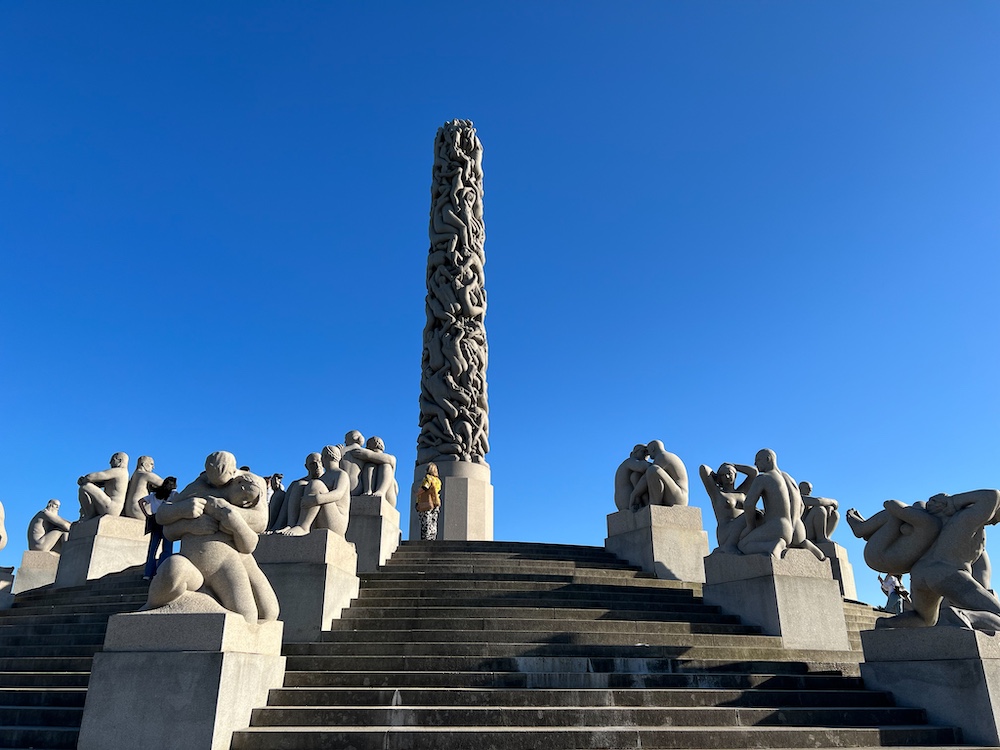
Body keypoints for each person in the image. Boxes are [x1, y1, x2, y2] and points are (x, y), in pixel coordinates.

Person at [699, 462, 758, 554]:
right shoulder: (717, 494)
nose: (726, 477)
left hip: (744, 529)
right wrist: (717, 476)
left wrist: (734, 466)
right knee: (749, 514)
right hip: (726, 532)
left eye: (729, 474)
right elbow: (703, 469)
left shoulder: (742, 492)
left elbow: (754, 472)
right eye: (723, 475)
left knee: (760, 516)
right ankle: (729, 545)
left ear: (735, 475)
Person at [140, 477, 177, 579]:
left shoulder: (154, 495)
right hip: (166, 521)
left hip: (154, 520)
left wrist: (147, 514)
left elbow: (140, 501)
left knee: (152, 549)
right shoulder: (173, 494)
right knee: (167, 548)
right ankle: (160, 571)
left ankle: (148, 573)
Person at [77, 452, 130, 519]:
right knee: (88, 486)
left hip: (111, 507)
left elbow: (92, 477)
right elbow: (96, 483)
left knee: (85, 487)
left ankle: (89, 516)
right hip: (111, 507)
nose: (110, 462)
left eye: (113, 460)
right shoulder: (123, 474)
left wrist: (84, 479)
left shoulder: (120, 471)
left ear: (120, 461)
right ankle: (90, 515)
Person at [416, 463, 442, 540]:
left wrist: (417, 493)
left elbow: (425, 487)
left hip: (426, 502)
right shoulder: (438, 481)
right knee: (433, 521)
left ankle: (425, 538)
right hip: (436, 502)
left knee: (426, 520)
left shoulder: (428, 478)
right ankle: (432, 538)